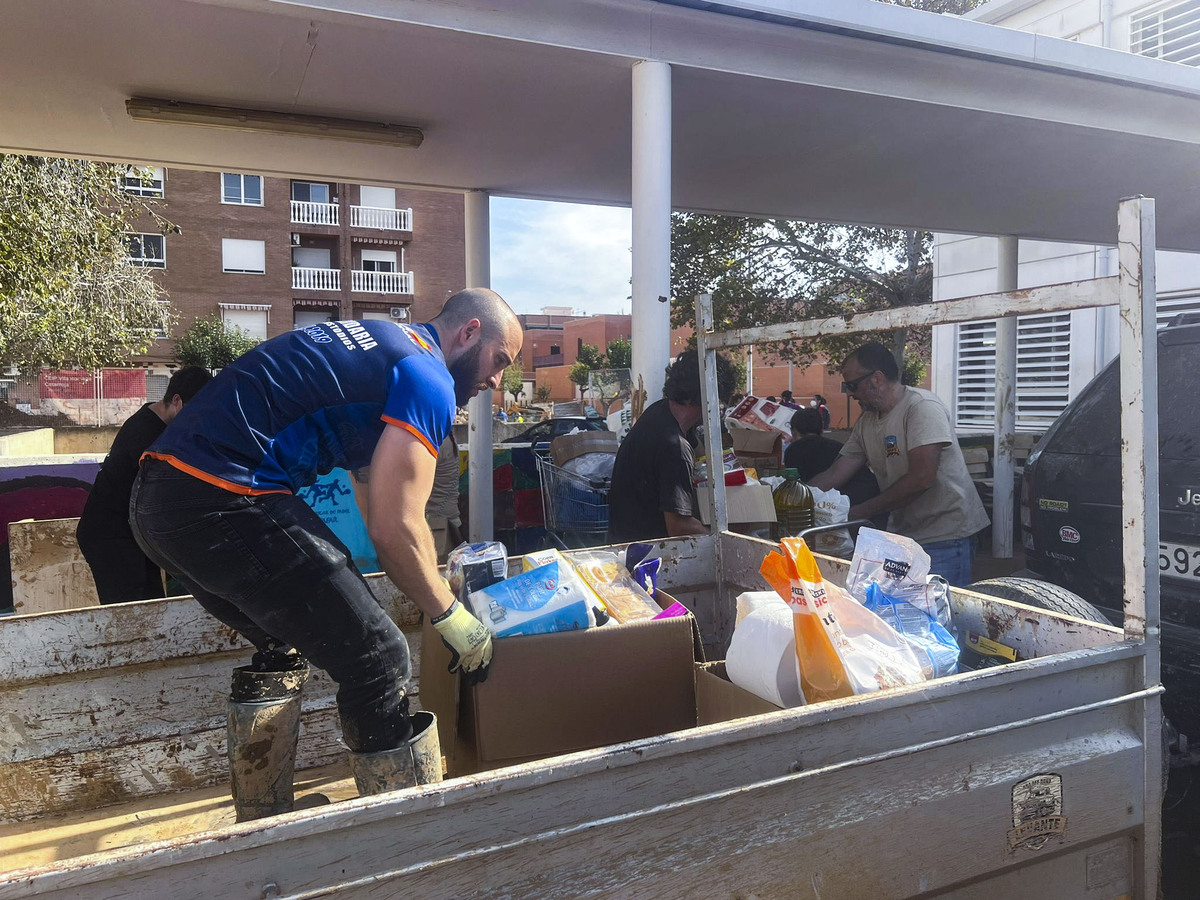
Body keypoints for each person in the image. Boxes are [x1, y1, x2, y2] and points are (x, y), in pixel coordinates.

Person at [130, 288, 522, 816]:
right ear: (469, 332)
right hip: (223, 494)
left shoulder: (385, 344)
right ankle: (401, 838)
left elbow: (373, 492)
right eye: (500, 361)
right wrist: (450, 615)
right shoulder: (428, 378)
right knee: (379, 658)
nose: (496, 381)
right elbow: (394, 526)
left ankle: (262, 817)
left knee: (283, 642)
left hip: (158, 498)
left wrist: (395, 581)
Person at [808, 343, 989, 586]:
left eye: (851, 385)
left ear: (877, 379)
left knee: (939, 618)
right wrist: (798, 496)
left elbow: (921, 479)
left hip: (945, 536)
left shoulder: (921, 407)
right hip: (905, 536)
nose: (849, 394)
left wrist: (860, 513)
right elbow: (837, 472)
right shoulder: (867, 421)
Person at [76, 366, 212, 605]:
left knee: (152, 607)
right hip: (110, 536)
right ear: (177, 401)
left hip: (135, 534)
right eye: (195, 413)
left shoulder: (157, 421)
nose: (198, 422)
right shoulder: (146, 436)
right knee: (131, 613)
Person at [608, 348, 736, 543]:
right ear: (704, 395)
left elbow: (702, 455)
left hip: (624, 541)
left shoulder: (661, 412)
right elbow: (679, 527)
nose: (718, 408)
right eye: (718, 401)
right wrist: (726, 540)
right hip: (647, 556)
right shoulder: (675, 447)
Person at [784, 407, 882, 521]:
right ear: (821, 429)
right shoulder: (838, 446)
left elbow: (800, 487)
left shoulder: (793, 450)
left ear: (794, 431)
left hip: (847, 510)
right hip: (872, 502)